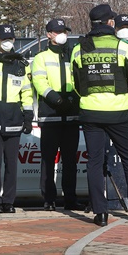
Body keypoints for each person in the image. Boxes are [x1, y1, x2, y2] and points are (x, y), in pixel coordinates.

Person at [71, 4, 128, 227]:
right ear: (109, 23)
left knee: (95, 162)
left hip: (90, 112)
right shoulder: (122, 48)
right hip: (118, 112)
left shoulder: (79, 48)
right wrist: (123, 96)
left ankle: (100, 212)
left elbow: (75, 84)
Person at [31, 18, 85, 211]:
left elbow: (79, 81)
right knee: (48, 159)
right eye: (57, 31)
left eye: (64, 30)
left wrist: (72, 100)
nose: (62, 34)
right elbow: (39, 82)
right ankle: (49, 199)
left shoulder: (73, 55)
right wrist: (57, 100)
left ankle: (70, 198)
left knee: (70, 160)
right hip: (50, 115)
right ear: (49, 34)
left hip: (71, 115)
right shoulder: (41, 57)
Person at [0, 24, 33, 213]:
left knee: (12, 163)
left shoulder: (21, 65)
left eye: (10, 39)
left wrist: (28, 115)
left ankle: (8, 201)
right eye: (3, 39)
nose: (7, 43)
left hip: (13, 120)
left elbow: (27, 92)